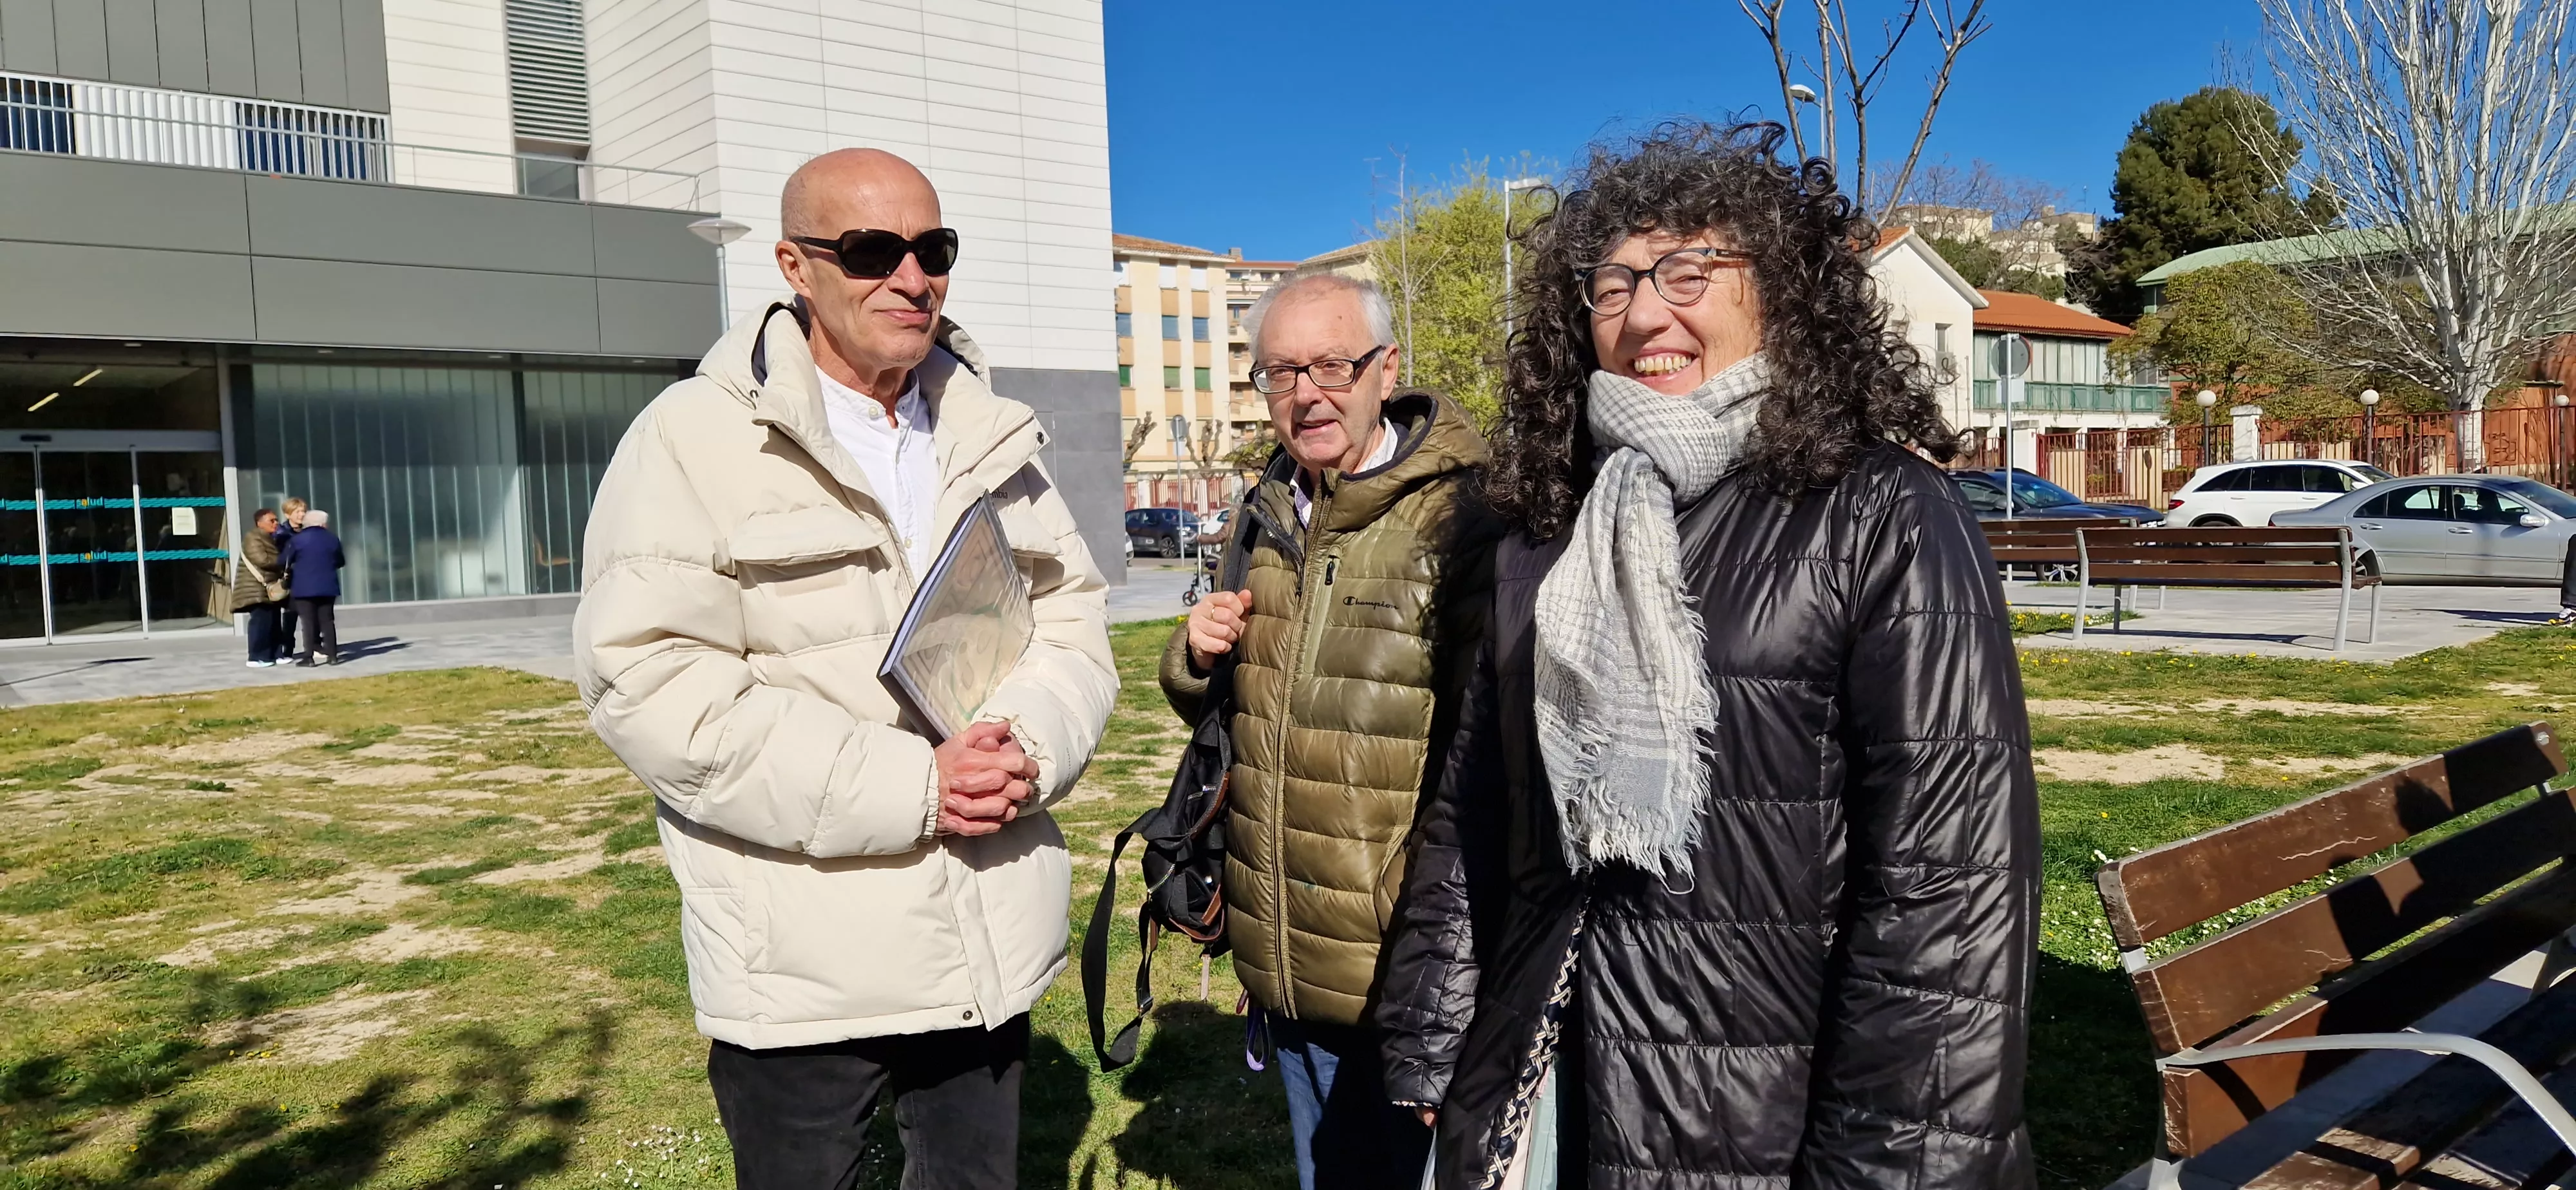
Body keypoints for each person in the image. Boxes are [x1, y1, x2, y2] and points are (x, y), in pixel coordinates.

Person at [1376, 122, 2041, 1190]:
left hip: (1775, 1121)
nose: (1646, 313)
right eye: (1613, 284)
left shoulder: (1884, 514)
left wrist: (1891, 1168)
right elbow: (1471, 806)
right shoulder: (1544, 532)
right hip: (1549, 1087)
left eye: (1689, 271)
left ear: (1778, 290)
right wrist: (1429, 1022)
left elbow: (1949, 892)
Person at [573, 147, 1116, 1190]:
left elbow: (1070, 618)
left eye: (934, 248)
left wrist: (1029, 747)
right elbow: (649, 683)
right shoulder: (692, 440)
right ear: (795, 264)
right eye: (872, 250)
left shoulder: (989, 435)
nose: (911, 277)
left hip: (983, 944)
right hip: (805, 971)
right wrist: (917, 786)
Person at [1159, 272, 1500, 1190]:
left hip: (1400, 973)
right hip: (1287, 956)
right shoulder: (1268, 509)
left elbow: (1493, 759)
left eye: (1332, 366)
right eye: (1280, 372)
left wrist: (1439, 960)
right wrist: (1194, 656)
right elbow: (1239, 708)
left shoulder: (1466, 518)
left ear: (1385, 371)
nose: (1306, 393)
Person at [278, 508, 344, 666]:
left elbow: (283, 561)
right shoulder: (333, 539)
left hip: (304, 586)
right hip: (328, 585)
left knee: (307, 622)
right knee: (328, 621)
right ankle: (333, 656)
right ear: (323, 524)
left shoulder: (297, 540)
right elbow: (340, 561)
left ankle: (308, 657)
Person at [232, 509, 289, 667]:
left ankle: (275, 654)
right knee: (261, 622)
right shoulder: (253, 537)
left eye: (276, 520)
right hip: (256, 588)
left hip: (270, 587)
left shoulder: (271, 538)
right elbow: (262, 560)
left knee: (274, 621)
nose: (276, 523)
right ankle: (256, 657)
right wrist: (284, 560)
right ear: (260, 523)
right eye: (272, 521)